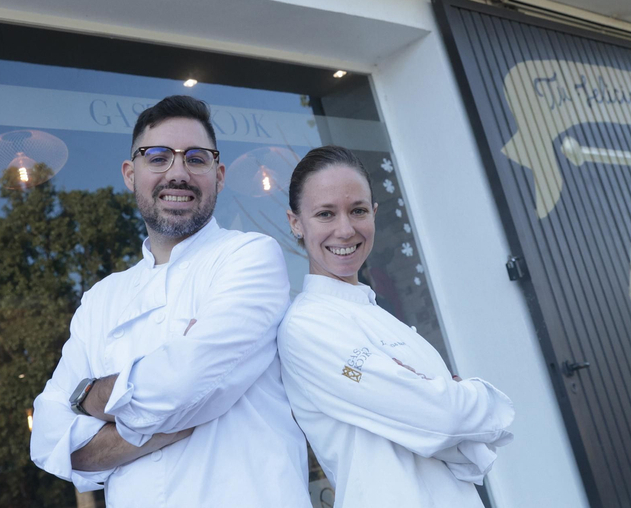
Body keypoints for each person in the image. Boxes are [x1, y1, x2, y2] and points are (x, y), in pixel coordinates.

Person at [30, 95, 309, 507]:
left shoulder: (250, 256)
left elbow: (184, 382)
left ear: (219, 175)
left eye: (196, 159)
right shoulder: (101, 298)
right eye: (158, 158)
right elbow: (49, 441)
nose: (178, 174)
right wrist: (162, 423)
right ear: (130, 174)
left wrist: (88, 396)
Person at [277, 146, 514, 508]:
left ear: (374, 213)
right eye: (325, 214)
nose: (345, 229)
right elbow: (444, 418)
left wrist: (437, 402)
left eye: (357, 210)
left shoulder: (381, 317)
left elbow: (464, 451)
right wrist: (476, 396)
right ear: (296, 223)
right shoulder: (307, 326)